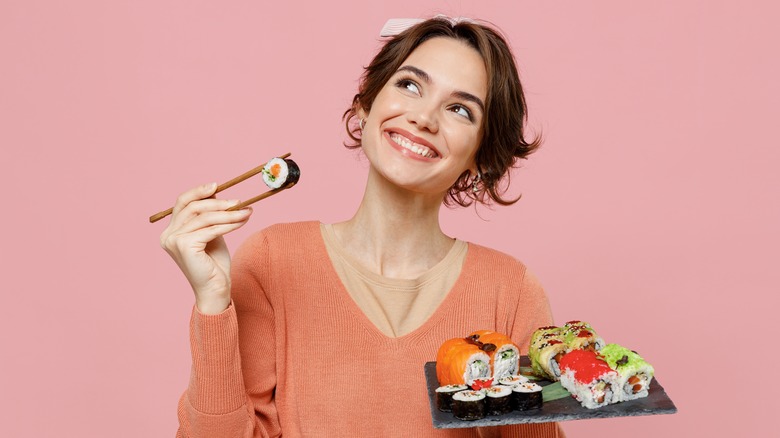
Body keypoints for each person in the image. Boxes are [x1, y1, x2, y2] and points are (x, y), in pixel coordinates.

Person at [161, 16, 565, 437]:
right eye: (409, 85)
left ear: (481, 156)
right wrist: (212, 304)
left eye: (460, 109)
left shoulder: (512, 291)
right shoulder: (271, 260)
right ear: (366, 104)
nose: (424, 117)